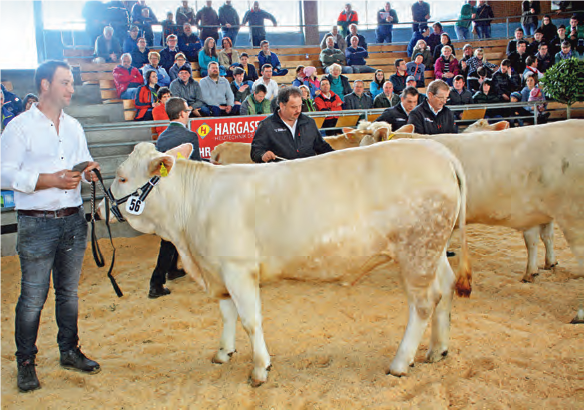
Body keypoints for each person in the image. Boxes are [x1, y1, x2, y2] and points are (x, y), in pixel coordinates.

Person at [0, 60, 101, 393]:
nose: (72, 88)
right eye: (65, 82)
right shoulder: (18, 127)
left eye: (72, 83)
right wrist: (48, 181)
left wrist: (87, 171)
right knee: (32, 297)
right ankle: (26, 362)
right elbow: (4, 174)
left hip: (73, 219)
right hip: (37, 223)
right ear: (45, 85)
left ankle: (69, 350)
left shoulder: (73, 126)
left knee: (68, 293)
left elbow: (83, 158)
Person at [149, 96, 202, 298]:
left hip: (168, 192)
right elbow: (195, 167)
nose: (188, 113)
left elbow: (163, 170)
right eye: (187, 110)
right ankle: (156, 282)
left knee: (173, 236)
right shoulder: (190, 136)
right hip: (185, 193)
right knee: (171, 239)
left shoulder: (162, 138)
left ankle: (172, 270)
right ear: (182, 114)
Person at [251, 86, 334, 163]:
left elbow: (321, 146)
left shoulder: (309, 122)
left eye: (300, 106)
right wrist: (262, 156)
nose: (298, 110)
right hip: (280, 174)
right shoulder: (266, 125)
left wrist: (339, 155)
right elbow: (255, 151)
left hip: (307, 173)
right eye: (293, 107)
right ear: (282, 106)